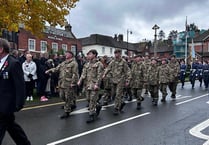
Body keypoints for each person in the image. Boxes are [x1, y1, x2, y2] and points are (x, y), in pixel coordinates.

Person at [0, 38, 31, 145]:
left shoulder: (13, 63)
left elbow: (20, 86)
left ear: (1, 49)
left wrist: (19, 104)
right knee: (13, 128)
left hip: (6, 106)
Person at [46, 51, 79, 119]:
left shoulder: (74, 63)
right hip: (62, 83)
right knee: (62, 96)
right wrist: (49, 70)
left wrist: (73, 83)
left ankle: (67, 111)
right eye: (65, 54)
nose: (65, 55)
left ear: (71, 55)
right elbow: (56, 69)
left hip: (69, 83)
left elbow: (75, 74)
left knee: (67, 97)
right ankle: (72, 103)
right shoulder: (63, 63)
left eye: (67, 53)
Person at [103, 49, 131, 115]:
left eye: (117, 53)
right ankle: (121, 102)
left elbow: (127, 71)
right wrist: (104, 74)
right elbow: (108, 68)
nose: (116, 55)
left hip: (120, 81)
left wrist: (128, 80)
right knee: (114, 94)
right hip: (113, 80)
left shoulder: (123, 62)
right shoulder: (113, 61)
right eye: (115, 53)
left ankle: (116, 108)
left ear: (120, 54)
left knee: (118, 94)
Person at [78, 49, 103, 123]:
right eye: (88, 54)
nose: (88, 55)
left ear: (94, 55)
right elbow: (83, 74)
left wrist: (97, 84)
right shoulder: (86, 64)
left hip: (94, 85)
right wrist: (80, 80)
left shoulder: (99, 64)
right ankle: (98, 105)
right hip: (87, 85)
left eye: (90, 54)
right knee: (88, 99)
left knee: (92, 100)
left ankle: (91, 115)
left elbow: (100, 75)